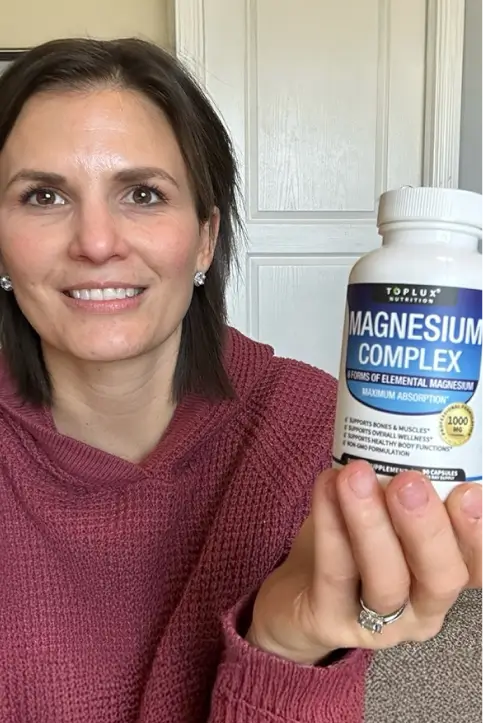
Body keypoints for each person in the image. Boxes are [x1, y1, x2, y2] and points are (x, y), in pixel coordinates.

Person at [0, 37, 481, 724]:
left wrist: (289, 647)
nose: (97, 243)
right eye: (43, 195)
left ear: (204, 238)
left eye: (142, 194)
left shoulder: (316, 432)